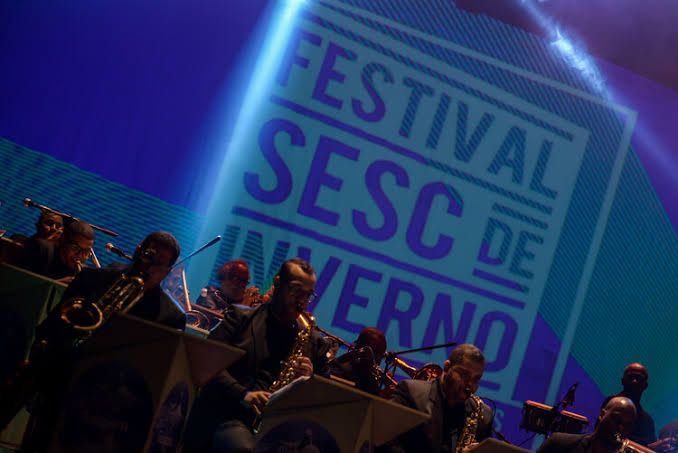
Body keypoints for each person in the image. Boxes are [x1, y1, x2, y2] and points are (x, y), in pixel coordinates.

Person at [0, 232, 185, 451]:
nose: (150, 266)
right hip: (62, 375)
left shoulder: (170, 316)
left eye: (159, 263)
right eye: (148, 255)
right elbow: (50, 326)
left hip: (109, 403)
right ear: (137, 250)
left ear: (168, 271)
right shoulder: (92, 278)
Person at [182, 258, 330, 453]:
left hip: (278, 429)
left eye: (307, 295)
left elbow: (325, 399)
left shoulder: (313, 341)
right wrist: (244, 394)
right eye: (296, 291)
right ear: (277, 283)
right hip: (230, 416)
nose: (301, 301)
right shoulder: (239, 318)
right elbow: (207, 364)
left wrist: (309, 380)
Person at [380, 344, 494, 453]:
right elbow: (384, 440)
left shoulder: (482, 416)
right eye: (464, 375)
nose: (470, 384)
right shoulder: (411, 393)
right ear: (447, 367)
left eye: (476, 379)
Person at [537, 396, 637, 453]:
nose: (620, 427)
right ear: (602, 414)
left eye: (627, 424)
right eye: (616, 418)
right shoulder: (559, 443)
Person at [17, 220, 95, 282]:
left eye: (86, 251)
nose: (80, 255)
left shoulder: (82, 273)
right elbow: (20, 284)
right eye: (75, 248)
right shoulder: (40, 249)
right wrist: (57, 284)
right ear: (63, 240)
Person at [601, 363, 656, 445]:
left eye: (639, 378)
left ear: (645, 385)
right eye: (631, 377)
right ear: (623, 381)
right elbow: (608, 435)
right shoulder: (612, 404)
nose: (634, 381)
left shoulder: (647, 421)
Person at [329, 327, 387, 395]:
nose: (379, 360)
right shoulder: (340, 368)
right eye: (378, 354)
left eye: (381, 355)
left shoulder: (370, 379)